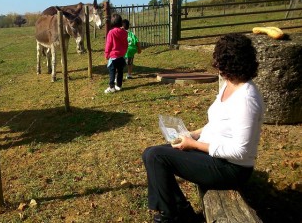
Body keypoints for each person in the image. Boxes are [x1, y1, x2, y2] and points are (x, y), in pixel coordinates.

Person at [142, 33, 264, 223]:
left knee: (156, 157)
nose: (216, 67)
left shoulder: (247, 99)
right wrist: (193, 134)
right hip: (214, 155)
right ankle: (180, 211)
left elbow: (241, 151)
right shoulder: (228, 84)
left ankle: (172, 216)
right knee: (150, 153)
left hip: (231, 169)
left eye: (219, 62)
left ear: (228, 64)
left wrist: (195, 145)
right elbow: (217, 122)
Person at [104, 13, 128, 94]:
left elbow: (109, 44)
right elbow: (126, 43)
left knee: (112, 71)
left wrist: (106, 54)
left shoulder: (111, 32)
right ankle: (119, 85)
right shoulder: (124, 32)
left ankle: (111, 87)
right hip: (121, 56)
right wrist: (124, 51)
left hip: (113, 56)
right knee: (120, 71)